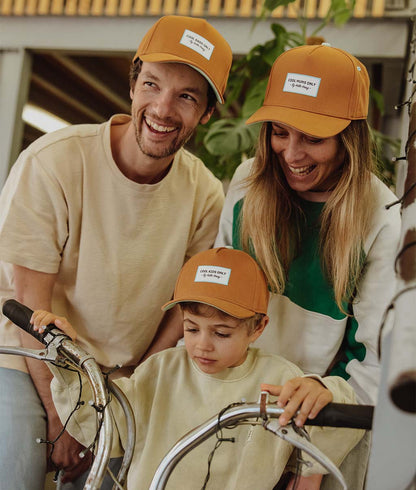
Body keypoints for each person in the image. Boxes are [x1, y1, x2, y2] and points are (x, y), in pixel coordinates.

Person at [0, 15, 232, 490]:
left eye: (187, 96)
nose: (163, 109)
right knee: (16, 469)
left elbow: (182, 304)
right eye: (152, 84)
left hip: (118, 380)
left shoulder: (205, 194)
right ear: (133, 84)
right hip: (27, 363)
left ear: (206, 114)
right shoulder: (54, 162)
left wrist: (133, 385)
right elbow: (29, 308)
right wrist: (61, 418)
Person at [215, 43, 401, 488]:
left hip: (323, 415)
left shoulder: (381, 218)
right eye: (280, 132)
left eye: (313, 138)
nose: (292, 154)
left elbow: (377, 357)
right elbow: (216, 303)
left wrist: (315, 451)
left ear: (350, 139)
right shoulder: (245, 185)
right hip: (234, 409)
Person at [31, 247, 364, 489]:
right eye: (191, 329)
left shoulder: (278, 380)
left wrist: (320, 389)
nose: (202, 345)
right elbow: (106, 427)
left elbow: (339, 418)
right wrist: (67, 361)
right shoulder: (161, 371)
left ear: (258, 328)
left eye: (221, 333)